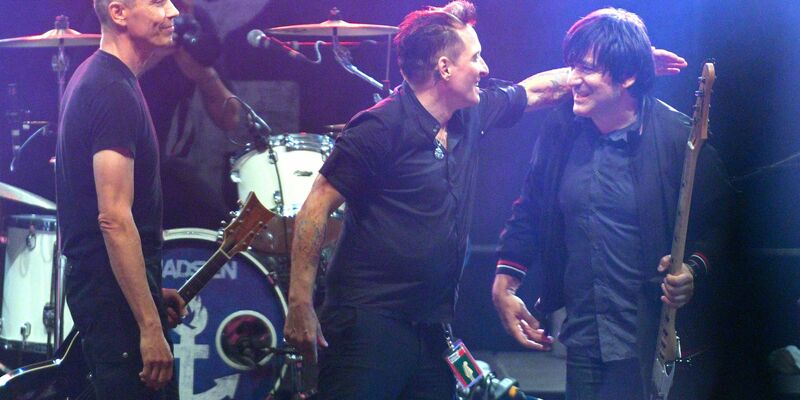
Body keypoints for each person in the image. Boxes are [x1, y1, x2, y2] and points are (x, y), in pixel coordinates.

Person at [284, 2, 687, 399]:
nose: (485, 68)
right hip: (368, 326)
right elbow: (315, 206)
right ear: (445, 68)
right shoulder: (379, 127)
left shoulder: (470, 113)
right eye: (475, 57)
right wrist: (300, 302)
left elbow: (538, 90)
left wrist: (623, 64)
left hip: (433, 327)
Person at [491, 8, 732, 400]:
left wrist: (693, 269)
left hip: (653, 343)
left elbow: (725, 222)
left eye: (586, 69)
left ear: (628, 77)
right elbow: (531, 210)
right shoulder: (562, 130)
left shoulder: (678, 139)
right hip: (585, 339)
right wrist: (506, 280)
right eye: (572, 66)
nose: (573, 81)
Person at [56, 0, 187, 398]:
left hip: (110, 293)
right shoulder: (111, 90)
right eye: (157, 2)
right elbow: (113, 218)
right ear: (118, 13)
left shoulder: (106, 80)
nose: (173, 11)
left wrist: (147, 290)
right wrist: (148, 325)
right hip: (111, 302)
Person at [139, 0, 240, 230]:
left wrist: (204, 76)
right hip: (113, 156)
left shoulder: (194, 20)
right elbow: (98, 85)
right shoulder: (126, 12)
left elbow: (230, 118)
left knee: (217, 224)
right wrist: (153, 56)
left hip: (158, 164)